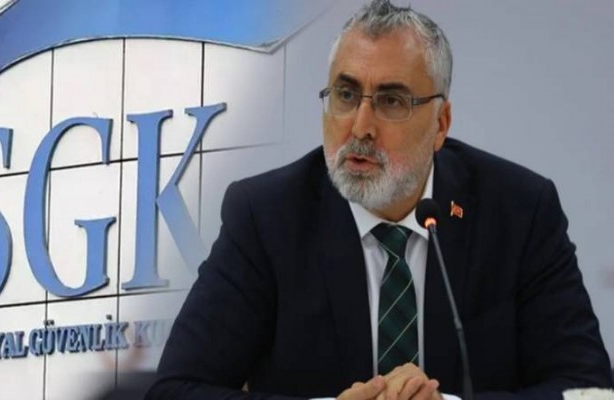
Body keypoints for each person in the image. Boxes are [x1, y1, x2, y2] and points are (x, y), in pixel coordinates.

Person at [146, 1, 613, 399]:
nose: (360, 126)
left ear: (441, 124)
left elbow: (589, 390)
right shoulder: (267, 216)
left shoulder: (519, 211)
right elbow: (175, 390)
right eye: (346, 95)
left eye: (391, 101)